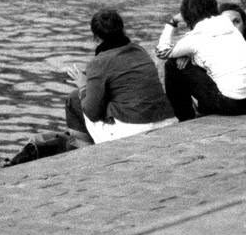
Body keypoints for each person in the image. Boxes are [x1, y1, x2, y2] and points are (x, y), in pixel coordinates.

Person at [65, 9, 178, 145]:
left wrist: (84, 86)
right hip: (168, 121)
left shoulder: (99, 62)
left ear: (96, 38)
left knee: (73, 99)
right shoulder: (140, 51)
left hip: (136, 130)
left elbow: (92, 113)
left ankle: (85, 154)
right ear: (122, 31)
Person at [156, 0, 246, 120]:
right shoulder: (228, 26)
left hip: (234, 104)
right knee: (198, 62)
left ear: (187, 15)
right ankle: (202, 109)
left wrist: (172, 22)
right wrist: (188, 54)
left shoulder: (195, 36)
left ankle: (185, 118)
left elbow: (161, 52)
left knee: (172, 65)